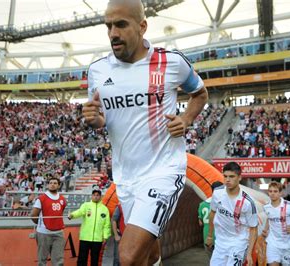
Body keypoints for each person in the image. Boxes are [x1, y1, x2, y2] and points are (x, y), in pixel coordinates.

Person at [82, 0, 208, 265]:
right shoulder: (97, 70)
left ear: (142, 27)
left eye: (121, 24)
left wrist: (186, 119)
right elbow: (102, 118)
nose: (113, 33)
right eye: (108, 26)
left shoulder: (171, 62)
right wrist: (95, 120)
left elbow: (200, 93)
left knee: (127, 256)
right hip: (125, 178)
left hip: (163, 171)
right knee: (148, 254)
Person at [206, 162, 258, 266]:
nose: (227, 180)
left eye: (231, 176)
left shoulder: (247, 202)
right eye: (225, 176)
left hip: (238, 243)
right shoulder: (217, 193)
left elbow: (254, 228)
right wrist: (210, 236)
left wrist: (249, 253)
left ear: (239, 177)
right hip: (220, 243)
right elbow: (212, 213)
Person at [262, 181, 290, 266]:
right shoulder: (266, 207)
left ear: (281, 193)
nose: (272, 194)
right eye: (270, 191)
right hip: (272, 243)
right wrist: (266, 230)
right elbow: (269, 218)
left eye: (275, 191)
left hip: (288, 245)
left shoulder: (289, 206)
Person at [68, 188, 111, 266]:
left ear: (101, 197)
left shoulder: (105, 209)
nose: (95, 197)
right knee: (82, 258)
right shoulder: (86, 205)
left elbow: (106, 225)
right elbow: (79, 212)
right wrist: (72, 215)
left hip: (97, 239)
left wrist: (105, 236)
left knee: (95, 259)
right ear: (91, 196)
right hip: (85, 237)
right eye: (94, 195)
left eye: (97, 195)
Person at [31, 177, 67, 266]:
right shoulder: (41, 198)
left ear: (58, 185)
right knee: (42, 260)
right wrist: (40, 224)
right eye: (50, 183)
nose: (52, 184)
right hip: (44, 232)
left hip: (58, 232)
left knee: (58, 260)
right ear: (47, 185)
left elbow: (60, 213)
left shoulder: (63, 199)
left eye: (55, 183)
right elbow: (33, 215)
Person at [197, 181, 223, 255]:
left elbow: (200, 223)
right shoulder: (224, 204)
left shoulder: (202, 204)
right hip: (221, 238)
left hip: (207, 237)